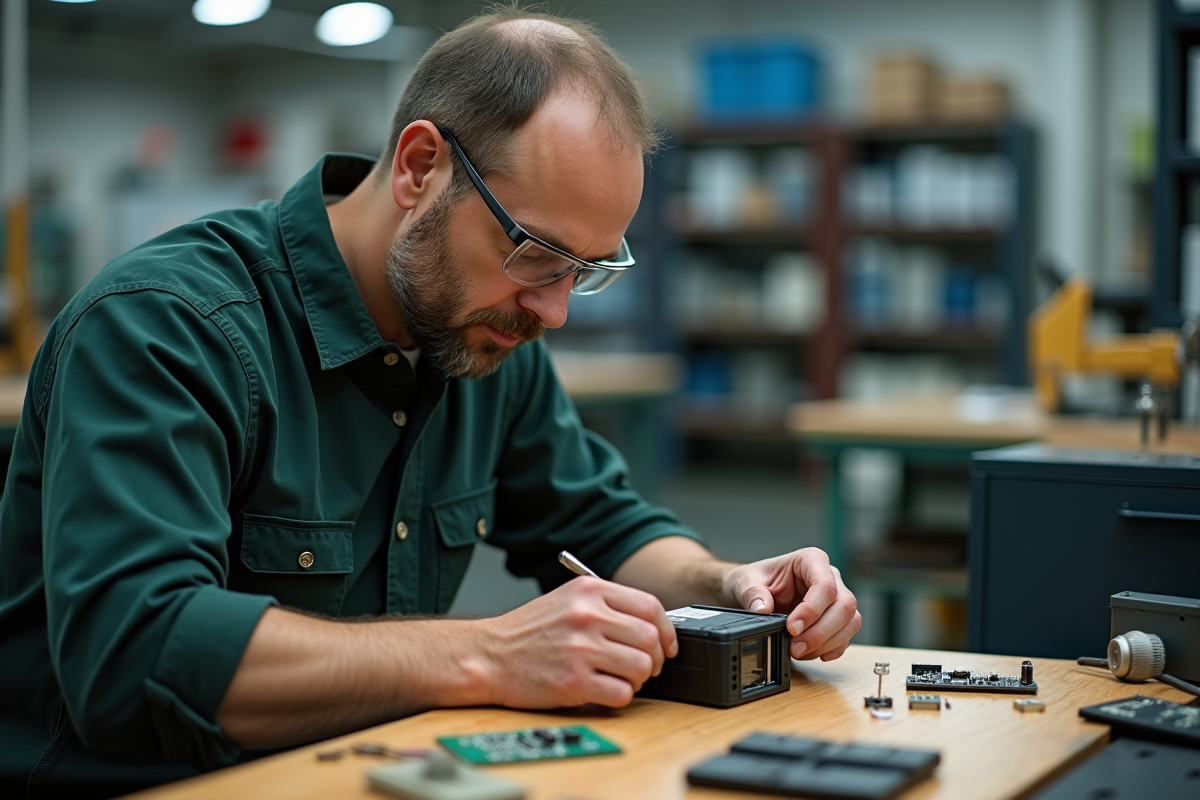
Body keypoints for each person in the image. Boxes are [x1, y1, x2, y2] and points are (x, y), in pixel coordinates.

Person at [0, 7, 860, 799]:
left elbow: (604, 526)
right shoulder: (168, 328)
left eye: (586, 272)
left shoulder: (484, 339)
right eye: (535, 252)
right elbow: (136, 652)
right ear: (420, 168)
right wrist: (488, 655)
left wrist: (730, 585)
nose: (553, 310)